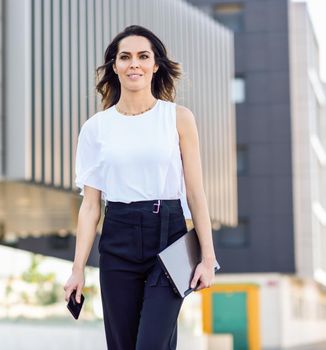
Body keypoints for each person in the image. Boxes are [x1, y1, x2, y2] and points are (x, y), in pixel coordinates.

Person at [63, 25, 217, 350]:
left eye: (143, 56)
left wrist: (207, 256)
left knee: (151, 344)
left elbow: (195, 193)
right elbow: (91, 206)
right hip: (118, 239)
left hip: (169, 238)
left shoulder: (178, 118)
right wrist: (77, 270)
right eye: (126, 57)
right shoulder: (96, 128)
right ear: (115, 66)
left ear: (155, 64)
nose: (134, 64)